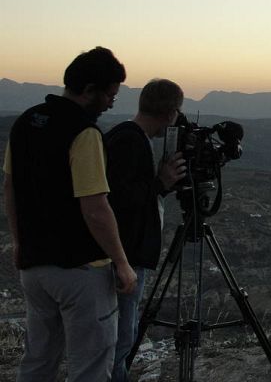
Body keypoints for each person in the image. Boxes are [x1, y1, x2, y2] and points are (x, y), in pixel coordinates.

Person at [3, 46, 138, 382]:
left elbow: (10, 188)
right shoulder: (84, 133)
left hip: (35, 266)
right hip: (80, 270)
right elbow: (95, 208)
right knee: (90, 365)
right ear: (90, 90)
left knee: (39, 359)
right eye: (110, 95)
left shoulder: (25, 123)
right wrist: (122, 262)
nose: (110, 104)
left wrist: (19, 242)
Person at [105, 78, 187, 382]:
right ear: (170, 113)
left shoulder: (127, 136)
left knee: (120, 336)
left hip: (123, 254)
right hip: (125, 255)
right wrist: (160, 183)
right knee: (120, 339)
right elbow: (118, 200)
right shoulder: (131, 141)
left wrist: (160, 186)